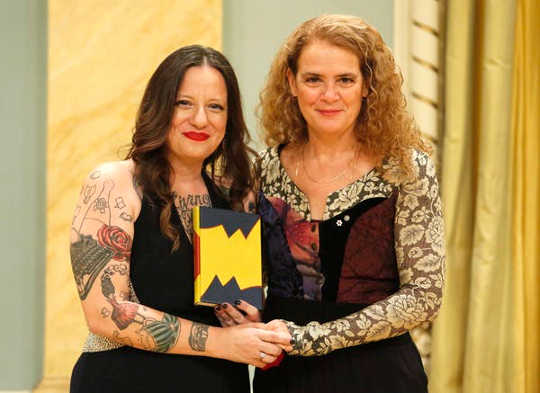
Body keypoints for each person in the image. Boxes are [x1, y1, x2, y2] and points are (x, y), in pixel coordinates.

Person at [216, 15, 445, 393]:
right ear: (291, 83)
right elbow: (243, 281)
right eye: (313, 80)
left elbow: (424, 296)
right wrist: (242, 312)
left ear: (368, 85)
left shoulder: (405, 168)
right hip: (285, 376)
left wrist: (313, 339)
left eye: (345, 80)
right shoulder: (264, 169)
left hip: (380, 375)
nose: (329, 95)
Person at [69, 45, 292, 393]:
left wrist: (251, 322)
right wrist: (223, 342)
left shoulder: (237, 197)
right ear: (158, 108)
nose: (200, 120)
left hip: (220, 383)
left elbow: (236, 303)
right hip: (126, 380)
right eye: (183, 103)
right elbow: (105, 313)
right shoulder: (113, 183)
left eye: (215, 107)